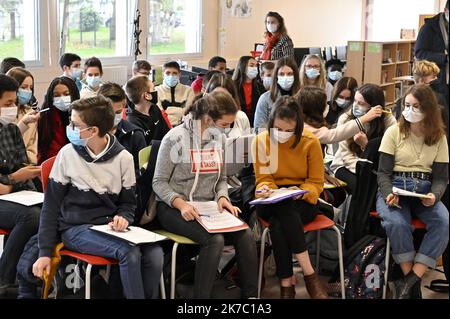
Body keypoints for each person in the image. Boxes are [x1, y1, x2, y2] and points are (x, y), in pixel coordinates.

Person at [32, 96, 164, 299]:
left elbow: (128, 204)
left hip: (110, 228)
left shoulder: (124, 158)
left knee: (155, 254)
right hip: (75, 228)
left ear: (93, 130)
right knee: (129, 253)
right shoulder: (67, 154)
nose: (70, 128)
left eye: (75, 125)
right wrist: (44, 252)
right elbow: (50, 207)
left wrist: (124, 217)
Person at [153, 91, 258, 299]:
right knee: (215, 240)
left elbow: (220, 177)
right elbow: (159, 182)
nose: (228, 130)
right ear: (209, 118)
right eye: (225, 124)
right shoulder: (174, 138)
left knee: (245, 233)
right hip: (173, 207)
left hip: (208, 207)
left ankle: (251, 296)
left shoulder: (217, 138)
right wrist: (181, 204)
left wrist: (222, 197)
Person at [376, 84, 449, 299]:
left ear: (428, 109)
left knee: (444, 222)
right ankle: (412, 287)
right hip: (396, 187)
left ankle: (409, 280)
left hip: (424, 189)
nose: (410, 110)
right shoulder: (394, 131)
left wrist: (435, 195)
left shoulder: (439, 137)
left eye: (416, 106)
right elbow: (383, 173)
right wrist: (389, 192)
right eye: (407, 105)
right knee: (397, 223)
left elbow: (441, 178)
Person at [253, 96, 328, 299]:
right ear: (271, 124)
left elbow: (316, 182)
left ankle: (286, 284)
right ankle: (310, 274)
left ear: (298, 127)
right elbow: (263, 178)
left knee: (279, 224)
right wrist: (265, 189)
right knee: (283, 206)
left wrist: (301, 191)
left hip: (302, 199)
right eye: (278, 129)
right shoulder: (261, 140)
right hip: (271, 199)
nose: (283, 135)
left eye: (289, 131)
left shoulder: (310, 141)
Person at [0, 74, 41, 296]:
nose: (13, 108)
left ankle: (25, 277)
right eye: (7, 104)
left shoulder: (11, 129)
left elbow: (20, 167)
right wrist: (14, 179)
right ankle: (4, 279)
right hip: (9, 198)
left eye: (15, 103)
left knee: (48, 212)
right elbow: (15, 176)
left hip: (14, 196)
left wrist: (13, 181)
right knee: (30, 217)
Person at [330, 84, 397, 194]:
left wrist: (366, 146)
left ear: (375, 107)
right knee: (361, 189)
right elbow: (346, 157)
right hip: (346, 166)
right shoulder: (345, 118)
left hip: (375, 166)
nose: (355, 106)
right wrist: (365, 171)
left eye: (361, 104)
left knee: (380, 189)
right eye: (355, 101)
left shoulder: (388, 121)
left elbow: (388, 154)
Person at [98, 82, 146, 176]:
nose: (112, 117)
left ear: (124, 104)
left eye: (118, 112)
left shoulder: (135, 134)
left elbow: (141, 170)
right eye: (108, 112)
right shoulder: (91, 134)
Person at [37, 77, 80, 164]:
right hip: (54, 163)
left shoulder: (82, 114)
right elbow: (48, 150)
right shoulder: (46, 117)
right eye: (56, 95)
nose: (61, 99)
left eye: (66, 94)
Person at [394, 60, 448, 128]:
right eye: (433, 77)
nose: (436, 79)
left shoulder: (402, 101)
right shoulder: (438, 100)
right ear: (421, 80)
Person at [414, 0, 449, 104]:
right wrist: (445, 58)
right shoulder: (429, 28)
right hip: (438, 80)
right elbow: (419, 53)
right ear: (445, 11)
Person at [254, 57, 301, 132]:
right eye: (281, 74)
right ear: (276, 76)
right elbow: (258, 129)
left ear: (295, 75)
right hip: (272, 141)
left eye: (289, 74)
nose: (285, 77)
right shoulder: (265, 98)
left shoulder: (303, 97)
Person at [6, 67, 40, 164]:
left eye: (31, 88)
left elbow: (32, 148)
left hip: (26, 165)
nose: (28, 91)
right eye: (24, 87)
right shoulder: (5, 113)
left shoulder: (30, 112)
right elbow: (7, 144)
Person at [125, 75, 171, 146]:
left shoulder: (154, 108)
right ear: (147, 96)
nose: (155, 91)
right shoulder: (133, 122)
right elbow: (142, 150)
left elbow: (167, 133)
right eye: (153, 89)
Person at [205, 73, 251, 138]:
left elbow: (247, 145)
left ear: (233, 98)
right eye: (216, 96)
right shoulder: (199, 120)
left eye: (226, 97)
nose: (221, 101)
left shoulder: (241, 117)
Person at [155, 61, 195, 127]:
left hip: (183, 127)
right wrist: (180, 111)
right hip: (162, 128)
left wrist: (167, 111)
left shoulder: (189, 90)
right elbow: (159, 114)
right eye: (168, 73)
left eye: (174, 73)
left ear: (179, 74)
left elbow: (188, 113)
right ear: (163, 75)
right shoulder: (156, 90)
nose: (171, 76)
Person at [232, 56, 265, 126]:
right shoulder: (232, 85)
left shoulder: (260, 87)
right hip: (237, 123)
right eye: (251, 65)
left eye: (256, 66)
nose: (255, 68)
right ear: (242, 67)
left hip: (255, 123)